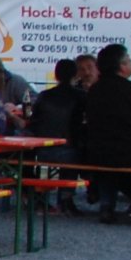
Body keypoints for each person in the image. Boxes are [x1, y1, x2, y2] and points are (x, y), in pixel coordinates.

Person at [81, 43, 131, 224]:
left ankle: (107, 206)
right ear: (122, 66)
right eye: (129, 60)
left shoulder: (95, 91)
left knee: (109, 164)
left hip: (97, 152)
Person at [28, 59, 89, 213]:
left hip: (43, 150)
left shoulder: (44, 95)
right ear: (75, 75)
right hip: (70, 150)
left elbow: (33, 121)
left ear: (56, 75)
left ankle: (38, 197)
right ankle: (66, 199)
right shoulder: (81, 96)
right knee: (79, 154)